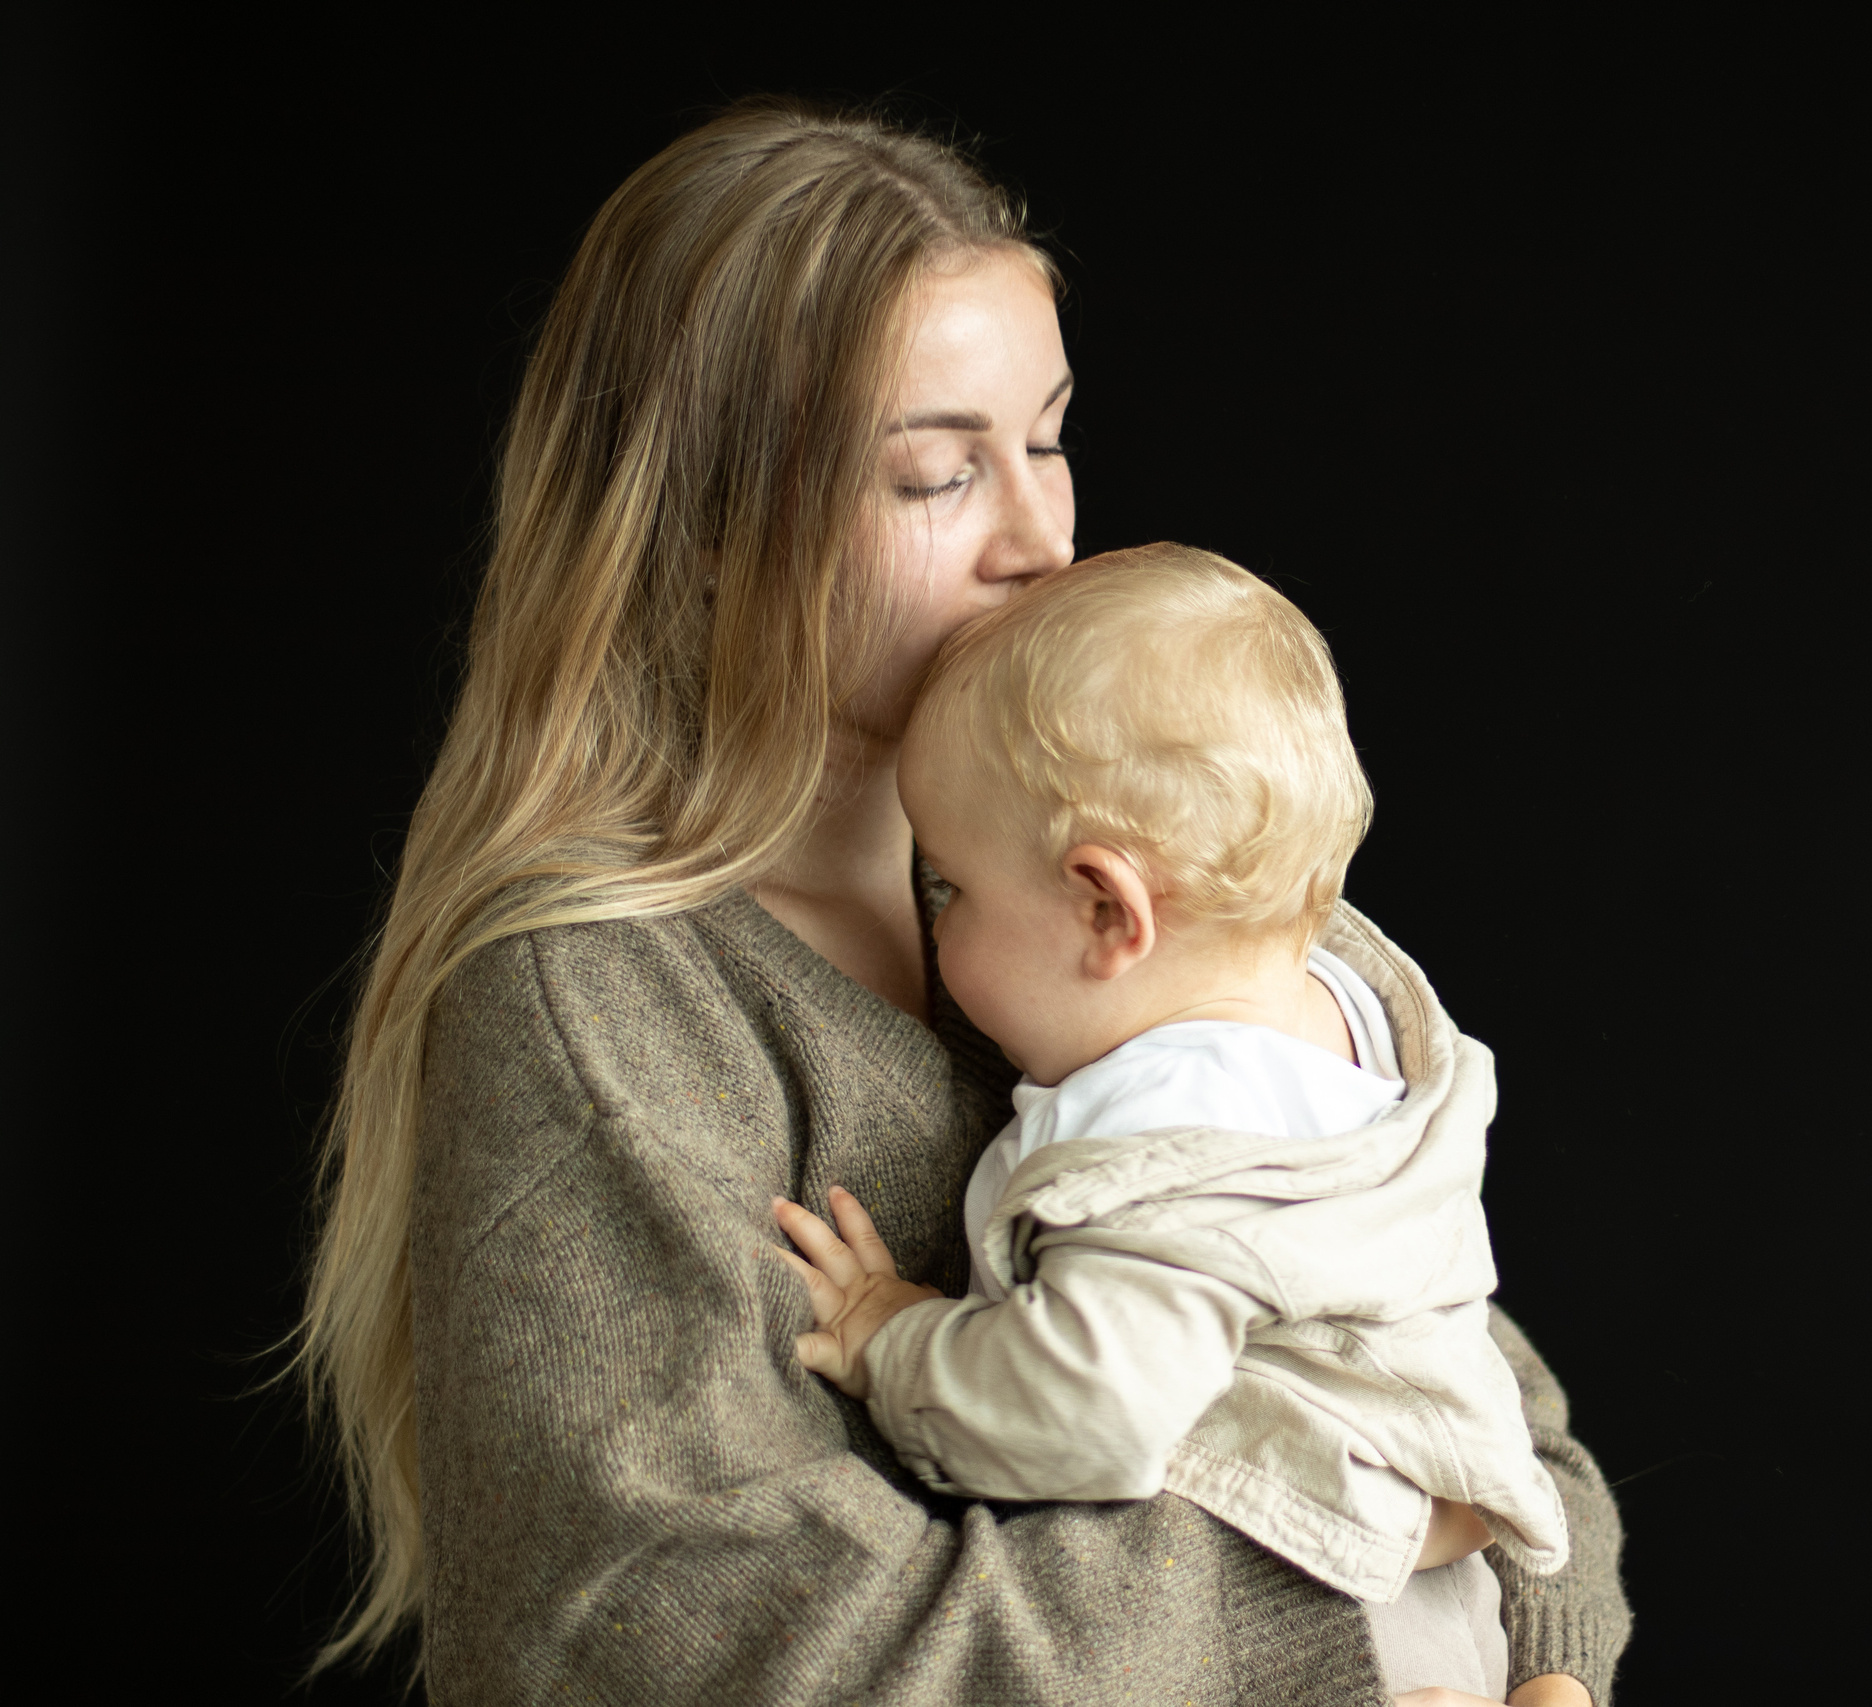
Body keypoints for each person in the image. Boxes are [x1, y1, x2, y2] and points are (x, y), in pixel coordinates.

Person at [296, 97, 1629, 1705]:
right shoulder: (598, 1001)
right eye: (938, 473)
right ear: (706, 531)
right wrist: (1342, 1565)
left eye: (1049, 439)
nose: (1045, 538)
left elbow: (1468, 1366)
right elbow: (705, 1644)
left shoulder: (1132, 861)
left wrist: (1546, 1654)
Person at [770, 544, 1566, 1700]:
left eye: (947, 887)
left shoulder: (1167, 1141)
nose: (928, 924)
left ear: (1106, 911)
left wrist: (891, 1334)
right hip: (1451, 1600)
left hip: (1337, 1633)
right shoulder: (1344, 1026)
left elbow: (1079, 1409)